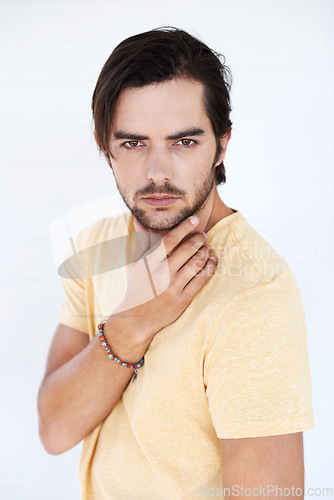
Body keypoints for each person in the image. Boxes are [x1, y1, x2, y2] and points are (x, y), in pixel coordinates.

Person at [38, 27, 315, 499]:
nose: (158, 172)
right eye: (133, 144)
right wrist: (133, 320)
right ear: (106, 148)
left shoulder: (253, 295)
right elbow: (54, 430)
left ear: (222, 145)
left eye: (184, 142)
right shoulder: (95, 246)